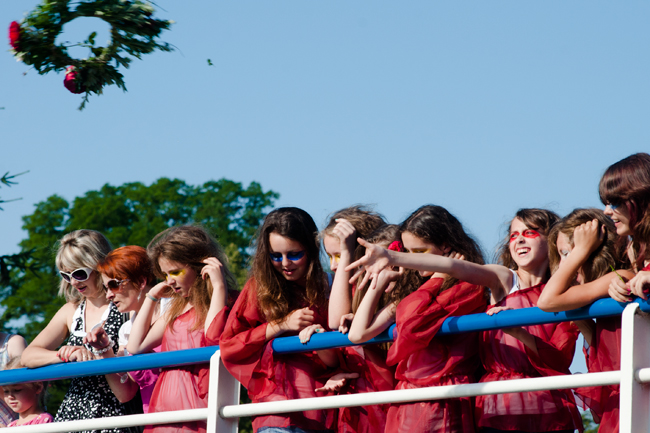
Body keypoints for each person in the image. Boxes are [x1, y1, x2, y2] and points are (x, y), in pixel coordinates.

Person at [347, 205, 488, 433]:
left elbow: (412, 326)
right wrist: (379, 283)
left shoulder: (470, 286)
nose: (411, 260)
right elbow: (357, 334)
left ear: (446, 245)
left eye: (419, 252)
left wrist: (440, 277)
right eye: (408, 252)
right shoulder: (413, 290)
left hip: (442, 396)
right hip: (408, 395)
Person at [220, 207, 338, 433]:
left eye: (294, 254)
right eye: (275, 256)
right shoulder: (259, 289)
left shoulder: (333, 285)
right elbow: (230, 345)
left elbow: (348, 353)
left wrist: (322, 340)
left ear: (312, 249)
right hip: (275, 413)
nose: (285, 263)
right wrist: (281, 325)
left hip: (326, 411)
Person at [21, 229, 141, 433]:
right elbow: (28, 356)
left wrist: (99, 354)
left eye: (79, 273)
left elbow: (129, 383)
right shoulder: (71, 310)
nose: (74, 282)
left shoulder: (127, 307)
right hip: (73, 416)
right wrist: (66, 354)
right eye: (66, 275)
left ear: (99, 265)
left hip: (116, 416)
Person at [126, 225, 238, 433]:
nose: (170, 281)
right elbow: (135, 346)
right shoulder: (176, 308)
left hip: (201, 409)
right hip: (165, 411)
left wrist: (219, 286)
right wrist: (151, 297)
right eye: (165, 274)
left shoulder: (226, 300)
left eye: (175, 272)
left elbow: (212, 338)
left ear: (200, 266)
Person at [538, 209, 634, 433]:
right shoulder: (597, 297)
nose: (564, 264)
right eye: (561, 255)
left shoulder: (621, 276)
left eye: (568, 253)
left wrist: (579, 251)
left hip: (635, 401)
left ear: (594, 250)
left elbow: (547, 300)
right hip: (621, 406)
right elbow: (602, 356)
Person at [326, 224, 403, 433]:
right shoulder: (370, 300)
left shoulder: (402, 300)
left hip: (399, 403)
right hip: (370, 407)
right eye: (370, 263)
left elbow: (357, 334)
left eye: (381, 262)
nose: (375, 269)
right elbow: (338, 324)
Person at [90, 245, 166, 413]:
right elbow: (125, 394)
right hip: (155, 418)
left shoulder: (176, 311)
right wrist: (105, 350)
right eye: (106, 288)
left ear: (141, 282)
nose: (109, 295)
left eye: (114, 285)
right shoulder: (126, 330)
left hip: (189, 411)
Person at [2, 357, 53, 427]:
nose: (10, 396)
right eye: (6, 391)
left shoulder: (44, 420)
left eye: (17, 390)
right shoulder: (11, 425)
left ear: (38, 387)